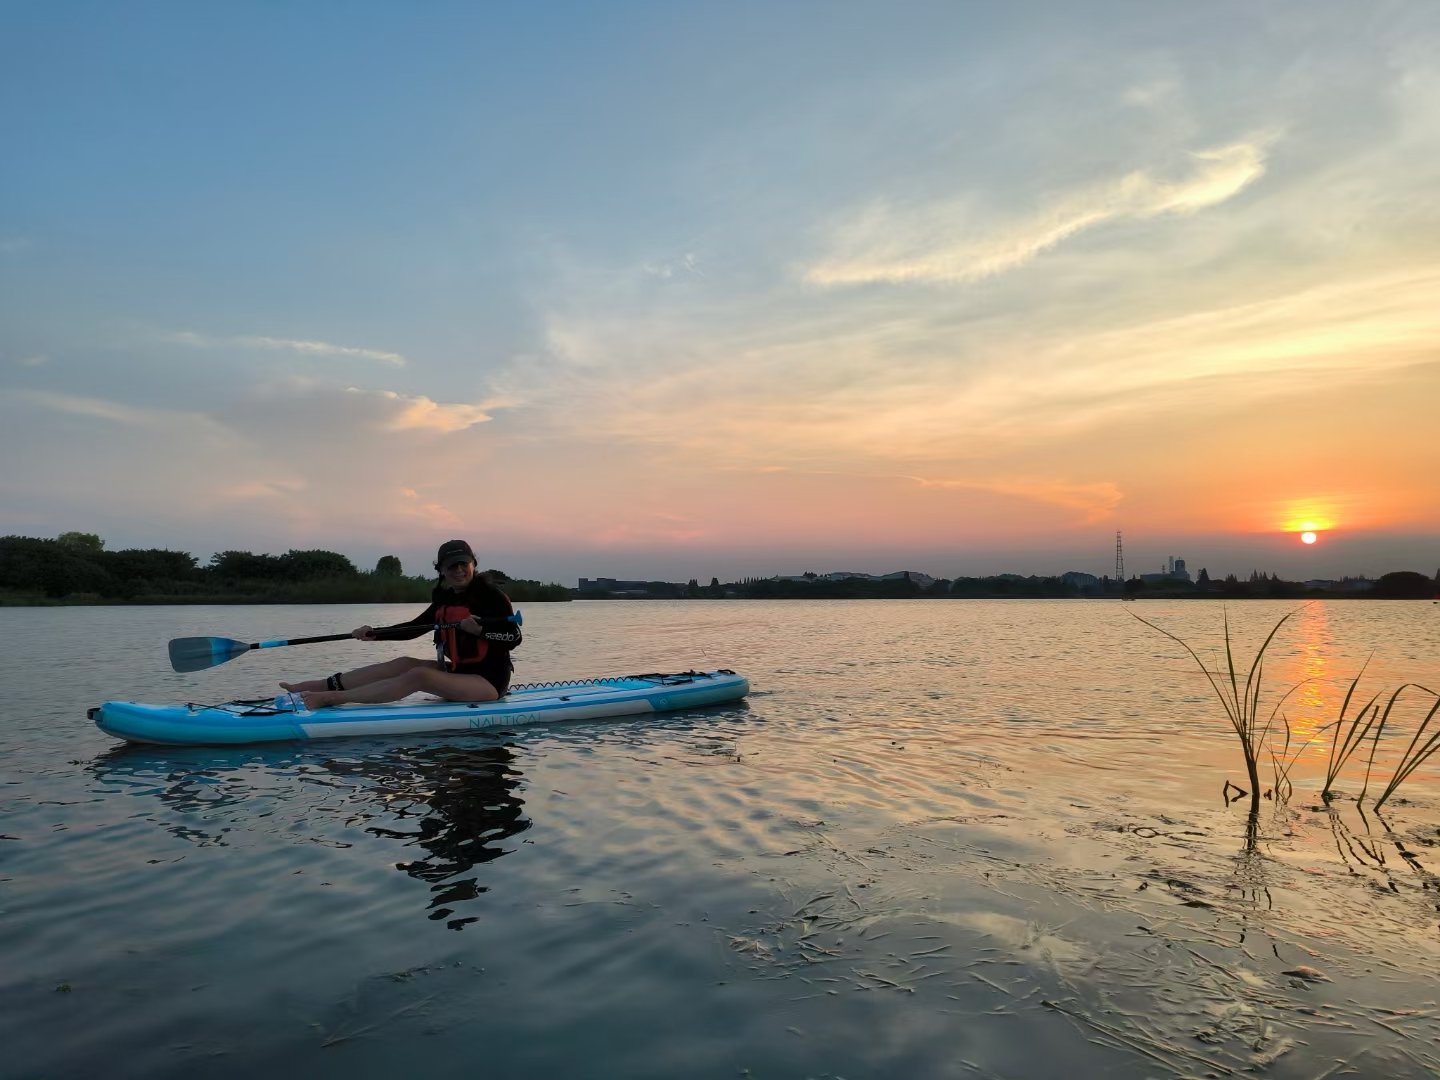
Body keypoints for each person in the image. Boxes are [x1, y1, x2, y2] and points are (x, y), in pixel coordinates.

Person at [279, 539, 522, 711]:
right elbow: (415, 628)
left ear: (473, 565)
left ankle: (329, 698)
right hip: (460, 673)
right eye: (451, 566)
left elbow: (514, 638)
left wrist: (482, 631)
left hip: (489, 683)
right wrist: (376, 633)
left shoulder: (492, 596)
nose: (459, 570)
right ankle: (316, 686)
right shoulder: (445, 599)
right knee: (404, 663)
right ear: (441, 570)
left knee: (419, 675)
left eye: (463, 564)